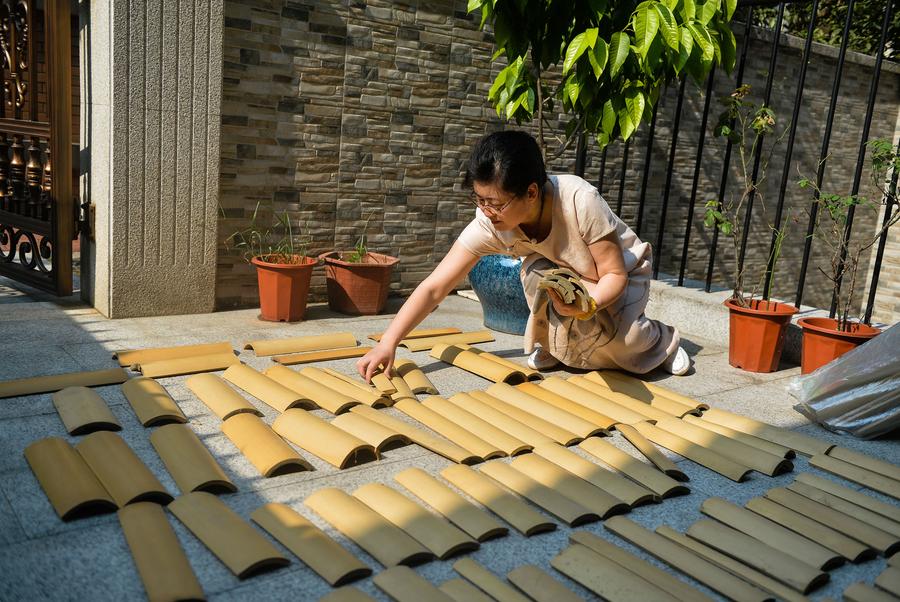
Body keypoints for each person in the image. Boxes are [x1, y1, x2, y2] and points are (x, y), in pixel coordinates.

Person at [357, 130, 689, 382]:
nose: (486, 211)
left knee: (624, 346)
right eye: (479, 199)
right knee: (537, 273)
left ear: (531, 192)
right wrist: (389, 342)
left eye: (495, 202)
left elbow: (614, 276)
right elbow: (435, 287)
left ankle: (662, 343)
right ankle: (560, 349)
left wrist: (586, 305)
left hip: (618, 278)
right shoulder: (489, 224)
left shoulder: (579, 200)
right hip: (568, 283)